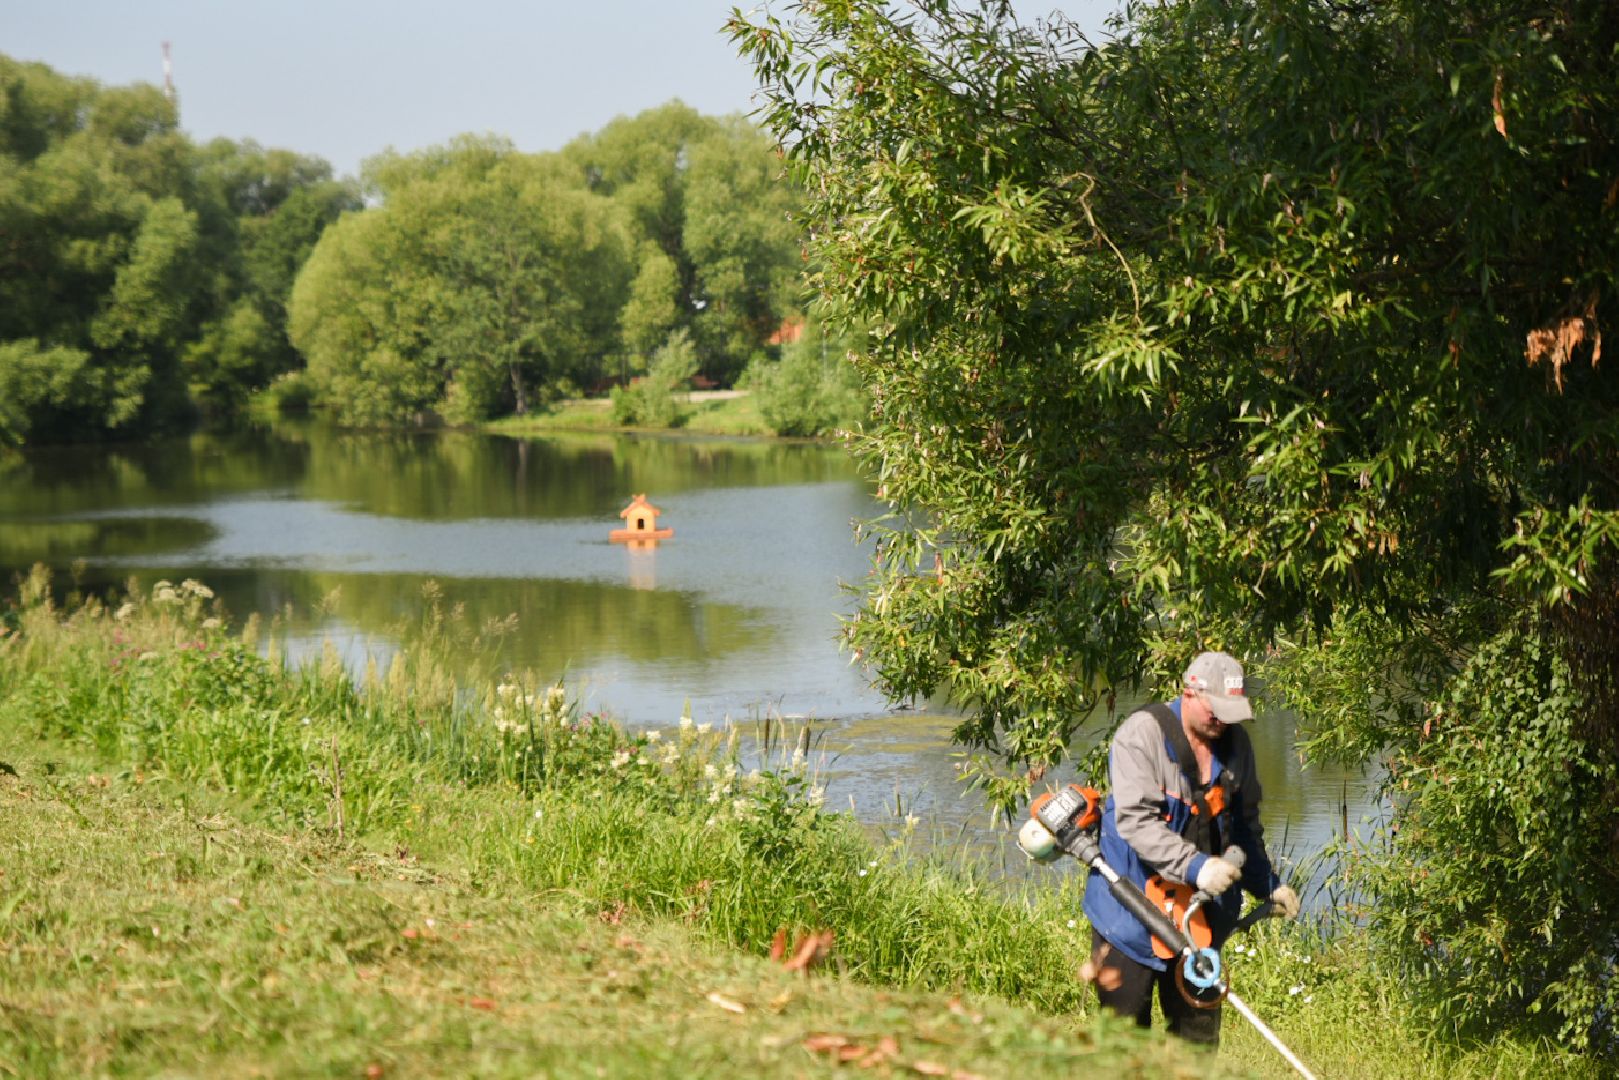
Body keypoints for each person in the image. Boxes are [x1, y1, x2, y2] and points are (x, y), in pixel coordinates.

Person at [1081, 651, 1300, 1046]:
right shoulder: (1140, 736)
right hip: (1129, 910)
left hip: (1199, 918)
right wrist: (1198, 867)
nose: (1221, 721)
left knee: (1198, 1043)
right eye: (1215, 710)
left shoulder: (1237, 746)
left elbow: (1244, 827)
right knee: (1123, 1044)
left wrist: (1268, 885)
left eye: (1230, 712)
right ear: (1189, 693)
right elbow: (1136, 822)